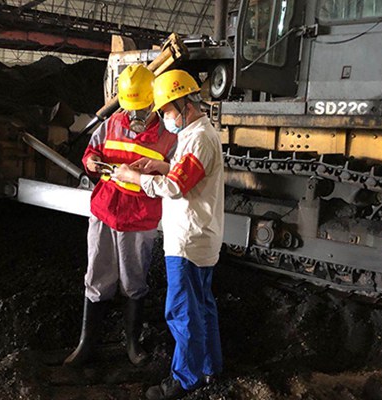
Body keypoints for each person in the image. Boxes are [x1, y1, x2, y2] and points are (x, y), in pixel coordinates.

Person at [112, 69, 224, 400]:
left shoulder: (199, 138)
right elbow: (184, 174)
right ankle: (210, 368)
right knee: (203, 307)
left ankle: (184, 380)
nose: (165, 118)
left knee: (182, 312)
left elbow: (175, 187)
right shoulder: (196, 134)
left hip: (187, 241)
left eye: (166, 111)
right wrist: (160, 166)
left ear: (185, 105)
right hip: (200, 236)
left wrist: (134, 177)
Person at [64, 64, 177, 367]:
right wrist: (93, 162)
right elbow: (91, 153)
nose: (135, 115)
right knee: (97, 276)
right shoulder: (112, 122)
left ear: (154, 102)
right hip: (105, 211)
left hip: (138, 218)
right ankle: (86, 344)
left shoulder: (169, 137)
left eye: (142, 108)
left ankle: (132, 344)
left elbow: (174, 177)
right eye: (130, 108)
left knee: (133, 281)